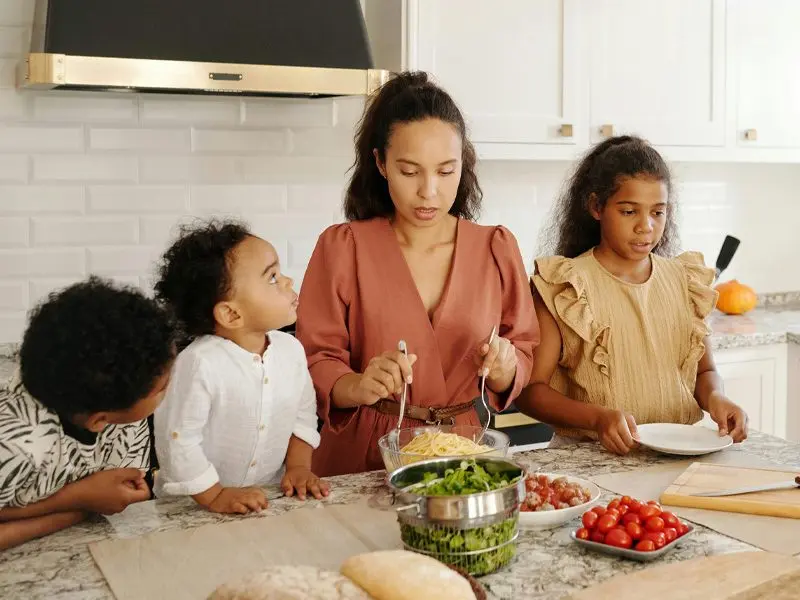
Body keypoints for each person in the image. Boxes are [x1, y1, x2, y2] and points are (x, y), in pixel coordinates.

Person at [296, 71, 540, 476]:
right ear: (381, 163)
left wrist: (504, 368)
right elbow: (314, 359)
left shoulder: (496, 247)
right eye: (410, 172)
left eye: (446, 171)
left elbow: (523, 349)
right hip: (363, 456)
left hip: (464, 452)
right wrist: (358, 384)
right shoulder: (343, 247)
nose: (429, 191)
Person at [515, 135, 748, 455]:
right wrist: (597, 418)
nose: (646, 226)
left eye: (658, 212)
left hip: (679, 455)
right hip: (593, 459)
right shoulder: (565, 286)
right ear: (596, 207)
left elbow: (704, 372)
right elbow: (529, 392)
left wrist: (717, 398)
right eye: (629, 212)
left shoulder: (685, 281)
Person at [153, 220, 328, 514]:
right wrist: (214, 496)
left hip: (264, 500)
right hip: (192, 509)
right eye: (272, 277)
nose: (287, 281)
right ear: (231, 314)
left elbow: (303, 417)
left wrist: (298, 467)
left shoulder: (291, 350)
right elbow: (178, 443)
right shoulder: (199, 364)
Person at [0, 277, 176, 550]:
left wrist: (92, 501)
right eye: (162, 388)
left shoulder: (124, 416)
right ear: (99, 420)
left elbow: (117, 492)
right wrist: (79, 501)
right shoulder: (17, 445)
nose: (170, 388)